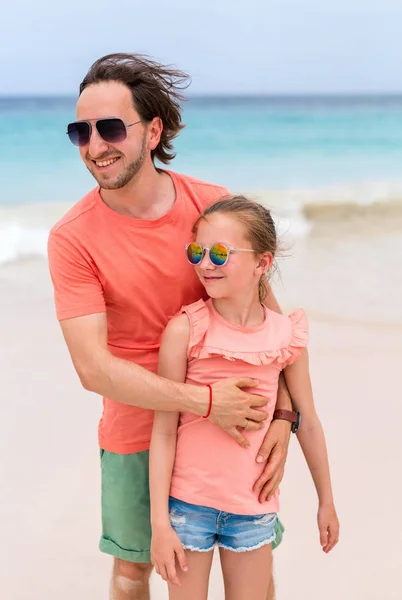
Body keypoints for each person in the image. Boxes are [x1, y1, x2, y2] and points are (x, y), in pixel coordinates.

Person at [47, 53, 300, 600]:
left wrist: (285, 414)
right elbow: (93, 369)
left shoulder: (210, 206)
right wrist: (206, 400)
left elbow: (269, 321)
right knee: (134, 570)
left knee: (250, 566)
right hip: (140, 433)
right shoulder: (71, 238)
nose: (96, 145)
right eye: (81, 131)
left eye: (111, 127)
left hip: (236, 426)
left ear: (152, 129)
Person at [150, 196, 339, 600]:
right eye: (198, 252)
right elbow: (163, 432)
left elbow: (309, 421)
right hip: (187, 509)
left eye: (220, 253)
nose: (204, 264)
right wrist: (160, 524)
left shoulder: (286, 336)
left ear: (262, 263)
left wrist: (326, 500)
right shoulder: (185, 331)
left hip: (254, 510)